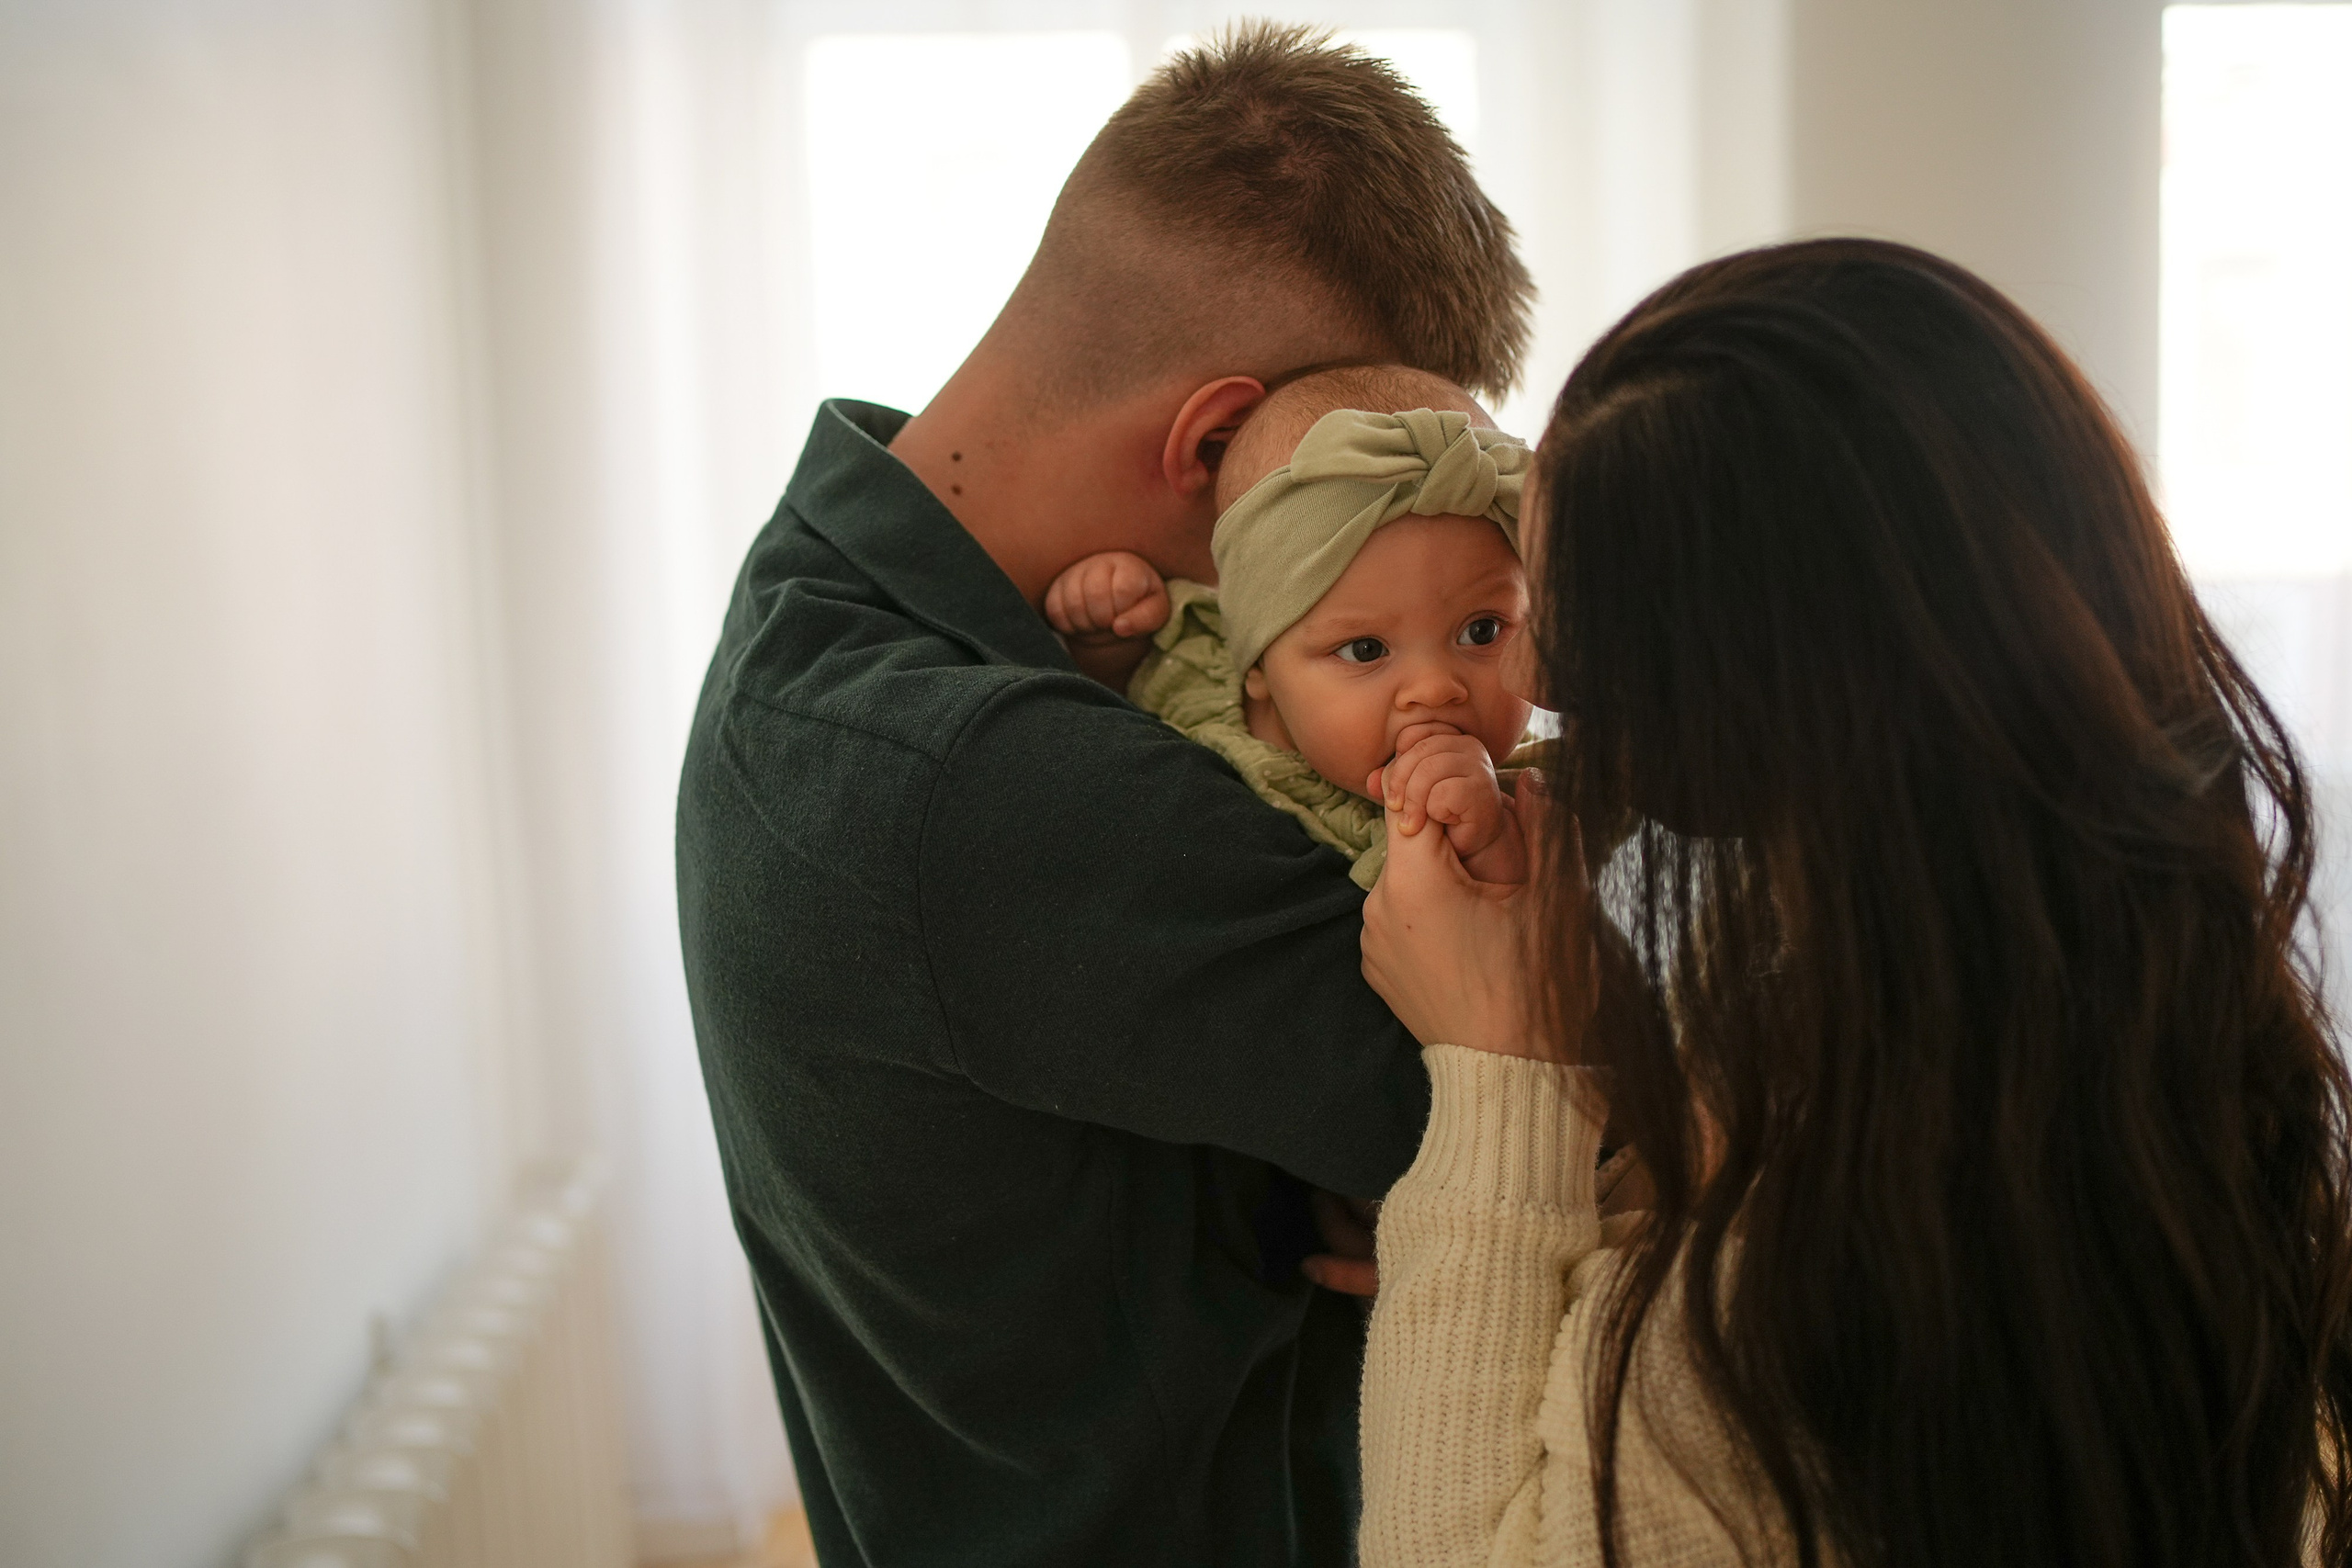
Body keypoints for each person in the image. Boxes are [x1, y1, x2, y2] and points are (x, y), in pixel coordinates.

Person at [1353, 239, 2352, 1568]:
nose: (1526, 668)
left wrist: (1499, 1083)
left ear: (1730, 688)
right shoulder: (2201, 1108)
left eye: (1549, 606)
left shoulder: (1757, 1327)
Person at [675, 24, 1532, 1568]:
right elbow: (1564, 1134)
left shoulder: (816, 597)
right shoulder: (1000, 784)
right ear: (1217, 448)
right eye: (1356, 548)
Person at [1045, 363, 1537, 889]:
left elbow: (1516, 955)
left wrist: (1487, 847)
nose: (1436, 688)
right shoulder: (1199, 670)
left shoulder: (1526, 805)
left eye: (1483, 631)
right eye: (1366, 649)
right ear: (1255, 659)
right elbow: (1110, 705)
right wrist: (1104, 636)